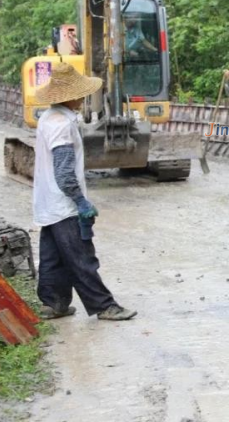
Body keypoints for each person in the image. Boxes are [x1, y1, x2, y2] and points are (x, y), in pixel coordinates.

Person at [32, 62, 137, 321]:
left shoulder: (48, 117)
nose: (83, 97)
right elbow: (64, 170)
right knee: (81, 257)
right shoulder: (61, 124)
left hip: (48, 203)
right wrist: (80, 201)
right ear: (72, 96)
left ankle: (53, 303)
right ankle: (104, 306)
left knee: (53, 256)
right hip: (64, 203)